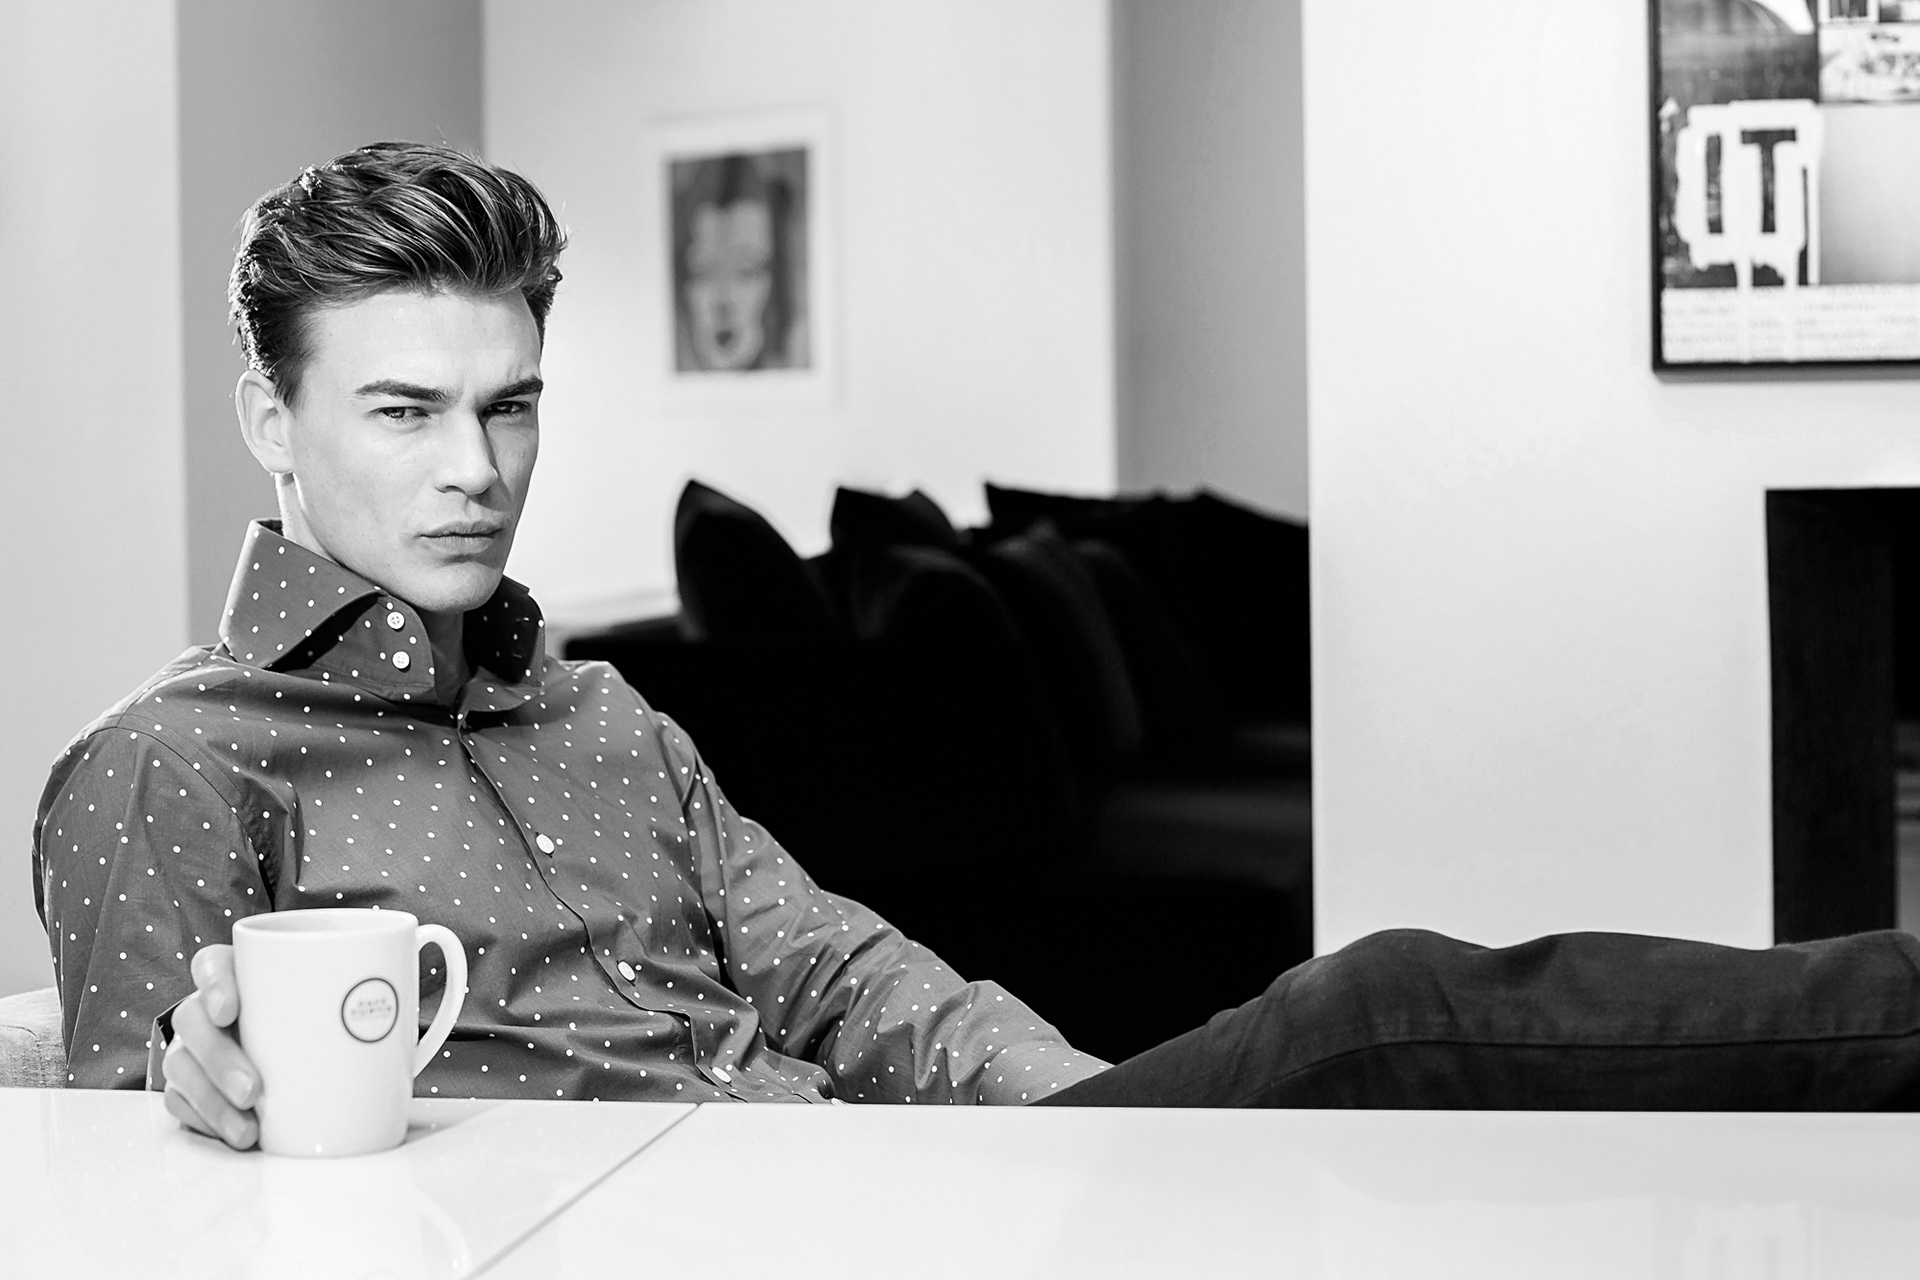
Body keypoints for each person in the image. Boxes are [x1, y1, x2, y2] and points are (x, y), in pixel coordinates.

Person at [33, 144, 1920, 1154]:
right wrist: (198, 1099)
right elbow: (123, 1192)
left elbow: (838, 969)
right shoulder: (169, 765)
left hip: (881, 1203)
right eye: (405, 411)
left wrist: (1084, 1128)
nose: (476, 468)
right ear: (272, 421)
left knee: (1417, 1138)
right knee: (1375, 1013)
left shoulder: (600, 711)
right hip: (635, 1237)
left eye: (510, 405)